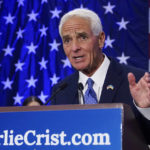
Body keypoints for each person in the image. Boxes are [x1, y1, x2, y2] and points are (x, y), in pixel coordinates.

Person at [51, 8, 150, 144]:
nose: (74, 48)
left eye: (82, 37)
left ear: (101, 39)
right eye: (67, 40)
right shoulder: (60, 92)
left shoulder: (138, 83)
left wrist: (145, 109)